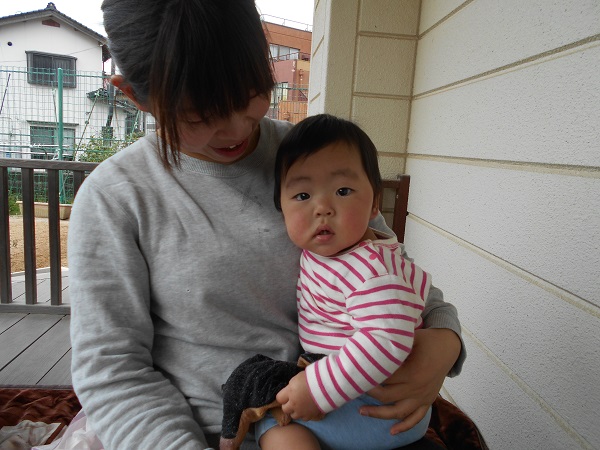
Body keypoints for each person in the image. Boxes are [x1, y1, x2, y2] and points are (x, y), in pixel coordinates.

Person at [67, 1, 465, 449]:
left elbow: (393, 274)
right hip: (215, 431)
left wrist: (444, 338)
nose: (236, 128)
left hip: (351, 413)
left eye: (251, 92)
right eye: (199, 116)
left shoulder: (318, 159)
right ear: (136, 97)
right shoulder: (116, 198)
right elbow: (113, 370)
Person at [253, 114, 433, 450]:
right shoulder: (333, 253)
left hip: (379, 403)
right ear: (281, 207)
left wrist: (318, 390)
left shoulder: (371, 270)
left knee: (273, 423)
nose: (323, 207)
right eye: (302, 196)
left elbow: (386, 339)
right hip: (361, 388)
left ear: (375, 202)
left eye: (343, 191)